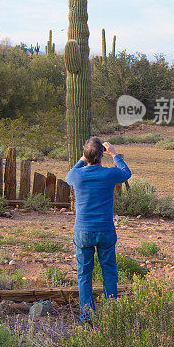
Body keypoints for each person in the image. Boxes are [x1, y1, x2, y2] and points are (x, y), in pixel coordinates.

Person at [65, 137, 131, 322]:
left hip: (83, 230)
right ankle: (111, 314)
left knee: (84, 274)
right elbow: (126, 173)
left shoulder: (77, 176)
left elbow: (68, 175)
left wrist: (83, 158)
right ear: (102, 155)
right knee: (109, 271)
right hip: (105, 230)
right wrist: (114, 154)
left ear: (86, 156)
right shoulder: (109, 174)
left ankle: (87, 316)